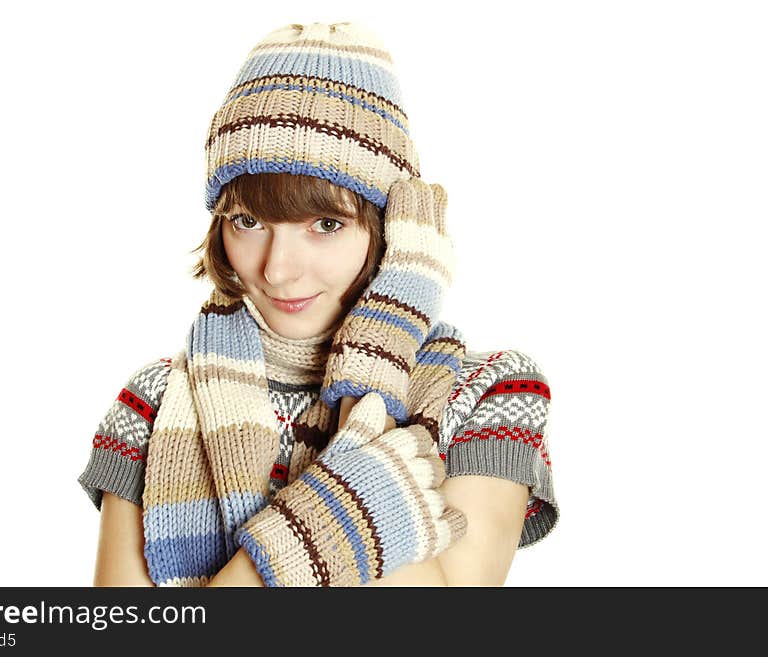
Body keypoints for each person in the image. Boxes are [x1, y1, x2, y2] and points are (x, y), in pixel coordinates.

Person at [77, 21, 559, 587]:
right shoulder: (155, 403)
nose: (277, 268)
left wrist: (374, 371)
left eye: (325, 224)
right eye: (248, 221)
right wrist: (357, 496)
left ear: (391, 227)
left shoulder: (490, 393)